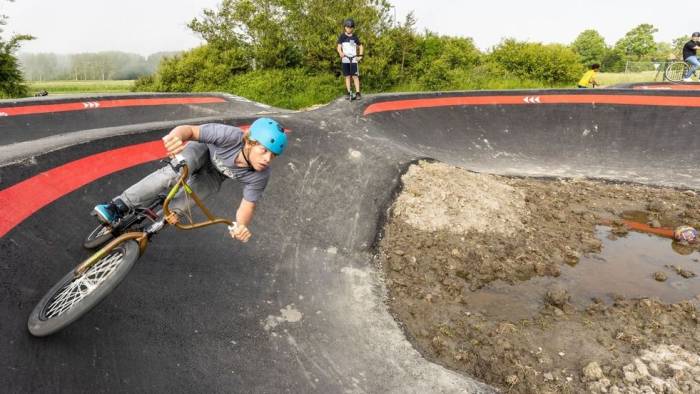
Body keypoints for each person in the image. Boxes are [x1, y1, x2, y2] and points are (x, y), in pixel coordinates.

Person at [92, 118, 287, 243]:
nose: (267, 159)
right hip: (201, 152)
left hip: (214, 176)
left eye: (273, 155)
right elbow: (189, 130)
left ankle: (154, 226)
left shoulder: (261, 174)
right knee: (173, 174)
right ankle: (118, 206)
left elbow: (248, 206)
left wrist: (241, 226)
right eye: (264, 151)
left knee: (187, 202)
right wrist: (175, 137)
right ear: (249, 142)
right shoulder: (228, 136)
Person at [336, 18, 364, 100]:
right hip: (345, 59)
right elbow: (338, 47)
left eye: (351, 27)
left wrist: (361, 56)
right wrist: (340, 52)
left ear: (353, 28)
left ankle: (358, 93)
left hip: (354, 59)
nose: (349, 29)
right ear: (345, 27)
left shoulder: (355, 37)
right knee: (347, 76)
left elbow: (361, 46)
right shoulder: (342, 36)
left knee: (355, 76)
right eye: (348, 27)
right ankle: (348, 93)